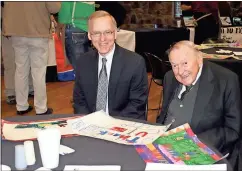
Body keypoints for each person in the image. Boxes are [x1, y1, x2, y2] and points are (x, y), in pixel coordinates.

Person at [157, 40, 241, 168]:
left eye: (185, 63)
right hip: (166, 150)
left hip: (202, 153)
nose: (180, 71)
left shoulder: (226, 80)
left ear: (199, 59)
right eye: (174, 65)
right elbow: (164, 116)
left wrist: (195, 142)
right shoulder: (169, 77)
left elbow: (233, 130)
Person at [73, 10, 148, 119]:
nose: (102, 39)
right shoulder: (83, 62)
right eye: (96, 33)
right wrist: (89, 122)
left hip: (124, 125)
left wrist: (109, 125)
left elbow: (137, 104)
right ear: (89, 35)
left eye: (107, 32)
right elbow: (79, 101)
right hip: (91, 125)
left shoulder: (135, 63)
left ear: (115, 33)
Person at [2, 2, 61, 115]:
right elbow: (55, 7)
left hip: (17, 32)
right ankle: (41, 108)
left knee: (20, 70)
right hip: (38, 31)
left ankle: (21, 106)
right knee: (38, 72)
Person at [57, 2, 95, 72]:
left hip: (74, 28)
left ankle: (83, 82)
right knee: (87, 64)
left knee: (79, 66)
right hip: (87, 29)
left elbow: (64, 13)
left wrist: (58, 27)